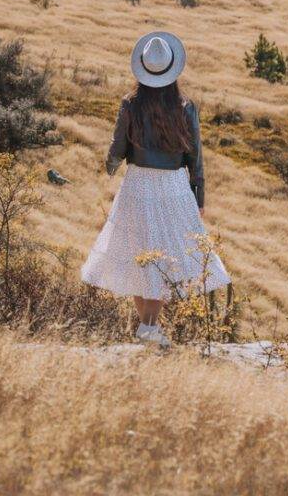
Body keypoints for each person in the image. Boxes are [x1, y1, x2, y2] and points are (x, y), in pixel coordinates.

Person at [81, 31, 231, 347]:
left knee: (142, 255)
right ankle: (149, 328)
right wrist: (199, 196)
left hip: (137, 184)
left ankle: (147, 327)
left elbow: (117, 148)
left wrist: (109, 165)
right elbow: (196, 158)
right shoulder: (185, 107)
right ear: (172, 69)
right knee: (164, 259)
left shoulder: (130, 104)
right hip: (175, 187)